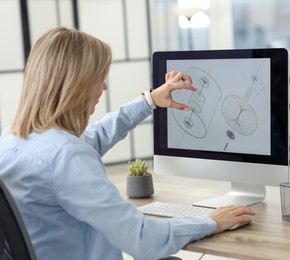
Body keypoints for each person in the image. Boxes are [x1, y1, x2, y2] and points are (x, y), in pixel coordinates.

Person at [0, 27, 256, 260]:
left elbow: (94, 138)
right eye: (98, 78)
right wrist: (211, 222)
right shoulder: (67, 156)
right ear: (76, 87)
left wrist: (151, 100)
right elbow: (141, 239)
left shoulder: (13, 140)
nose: (104, 87)